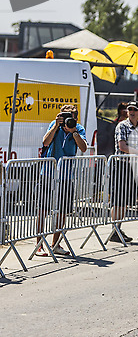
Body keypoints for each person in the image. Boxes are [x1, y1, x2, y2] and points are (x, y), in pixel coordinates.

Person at [36, 105, 88, 256]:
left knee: (63, 211)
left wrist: (74, 133)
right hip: (48, 173)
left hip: (67, 175)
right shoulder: (55, 125)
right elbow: (45, 142)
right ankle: (39, 245)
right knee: (42, 209)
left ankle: (55, 244)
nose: (68, 121)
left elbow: (83, 148)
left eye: (72, 117)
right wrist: (56, 126)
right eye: (66, 117)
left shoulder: (79, 129)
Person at [110, 101, 138, 242]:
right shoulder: (122, 126)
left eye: (134, 109)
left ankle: (118, 229)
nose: (131, 111)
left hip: (134, 166)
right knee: (118, 200)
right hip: (121, 165)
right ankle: (114, 230)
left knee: (126, 200)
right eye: (129, 109)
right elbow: (122, 146)